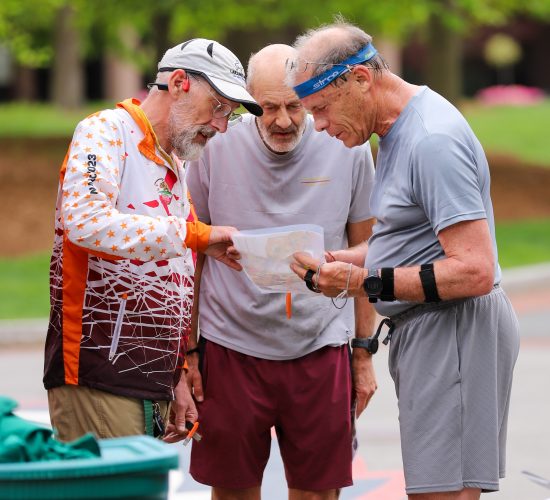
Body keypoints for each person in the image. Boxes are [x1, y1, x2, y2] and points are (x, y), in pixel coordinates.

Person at [287, 20, 521, 500]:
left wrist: (364, 282)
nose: (322, 127)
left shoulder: (431, 139)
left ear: (361, 79)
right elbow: (410, 239)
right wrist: (340, 262)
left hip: (455, 330)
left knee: (442, 495)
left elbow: (474, 270)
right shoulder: (395, 131)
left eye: (322, 109)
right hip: (432, 329)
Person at [43, 38, 262, 444]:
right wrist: (196, 235)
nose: (220, 126)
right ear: (179, 82)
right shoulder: (104, 131)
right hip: (97, 374)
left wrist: (176, 373)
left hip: (151, 381)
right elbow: (84, 221)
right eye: (217, 108)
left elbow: (170, 272)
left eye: (228, 115)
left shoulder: (173, 160)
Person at [185, 44, 376, 499]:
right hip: (231, 346)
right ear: (247, 100)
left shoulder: (346, 146)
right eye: (267, 107)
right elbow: (189, 249)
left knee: (318, 491)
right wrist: (188, 352)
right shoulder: (214, 147)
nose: (283, 121)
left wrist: (364, 353)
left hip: (320, 343)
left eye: (295, 106)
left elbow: (369, 251)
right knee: (232, 489)